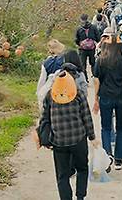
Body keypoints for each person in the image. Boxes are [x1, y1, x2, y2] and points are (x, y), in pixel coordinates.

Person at [39, 70, 99, 200]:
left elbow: (44, 118)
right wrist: (92, 137)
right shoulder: (79, 94)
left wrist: (44, 136)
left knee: (62, 175)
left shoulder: (50, 96)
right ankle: (80, 197)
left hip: (58, 141)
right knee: (82, 169)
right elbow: (86, 117)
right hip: (79, 139)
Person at [92, 34, 122, 171]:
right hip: (121, 98)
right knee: (120, 129)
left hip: (105, 97)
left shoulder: (100, 60)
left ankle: (107, 155)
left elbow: (96, 80)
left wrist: (95, 98)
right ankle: (118, 160)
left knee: (106, 127)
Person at [36, 39, 67, 109]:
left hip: (49, 88)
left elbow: (42, 79)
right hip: (63, 89)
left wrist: (39, 92)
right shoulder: (65, 60)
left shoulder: (47, 62)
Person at [75, 14, 100, 80]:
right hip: (92, 49)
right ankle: (95, 77)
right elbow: (98, 37)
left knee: (83, 65)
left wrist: (79, 44)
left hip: (82, 49)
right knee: (93, 63)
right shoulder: (93, 27)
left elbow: (76, 39)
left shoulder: (79, 28)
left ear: (81, 19)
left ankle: (85, 79)